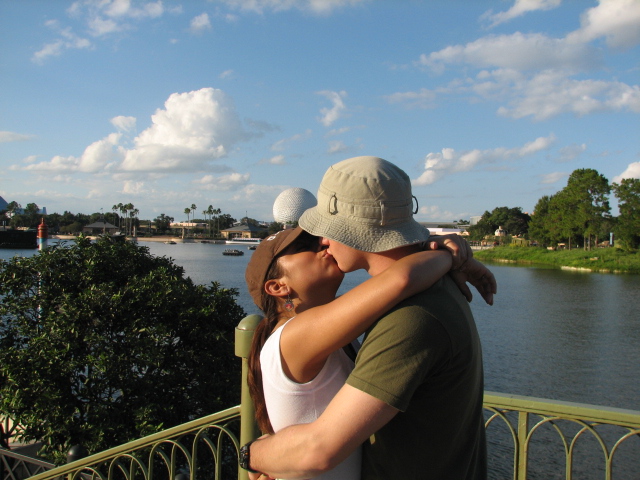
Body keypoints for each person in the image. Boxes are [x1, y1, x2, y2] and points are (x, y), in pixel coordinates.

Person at [242, 156, 492, 480]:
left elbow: (399, 280)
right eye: (308, 242)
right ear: (278, 287)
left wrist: (256, 453)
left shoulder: (408, 316)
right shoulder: (308, 331)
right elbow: (400, 279)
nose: (323, 240)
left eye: (324, 229)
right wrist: (447, 253)